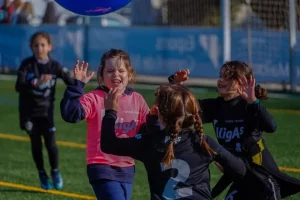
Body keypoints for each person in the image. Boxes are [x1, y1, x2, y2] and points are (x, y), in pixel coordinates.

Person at [169, 61, 300, 199]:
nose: (220, 80)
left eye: (227, 77)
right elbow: (188, 109)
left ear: (242, 83)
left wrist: (254, 102)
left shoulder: (248, 106)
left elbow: (271, 127)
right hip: (240, 176)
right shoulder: (216, 106)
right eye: (220, 76)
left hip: (263, 178)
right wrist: (177, 86)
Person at [100, 83, 246, 200]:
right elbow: (240, 170)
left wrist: (111, 111)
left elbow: (108, 144)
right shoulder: (202, 142)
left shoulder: (149, 143)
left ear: (161, 114)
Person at [60, 49, 149, 200]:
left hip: (127, 169)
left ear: (130, 74)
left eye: (121, 70)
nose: (116, 74)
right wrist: (77, 86)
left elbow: (149, 129)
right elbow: (70, 114)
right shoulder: (94, 98)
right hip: (101, 166)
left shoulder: (137, 100)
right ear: (101, 74)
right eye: (110, 71)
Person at [15, 31, 74, 190]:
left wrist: (79, 81)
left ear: (49, 47)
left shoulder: (54, 66)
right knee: (36, 145)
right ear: (31, 47)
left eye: (42, 45)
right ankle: (42, 173)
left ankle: (55, 171)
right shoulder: (27, 65)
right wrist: (36, 82)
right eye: (36, 45)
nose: (39, 48)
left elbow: (70, 81)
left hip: (46, 112)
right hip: (28, 113)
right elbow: (18, 86)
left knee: (51, 144)